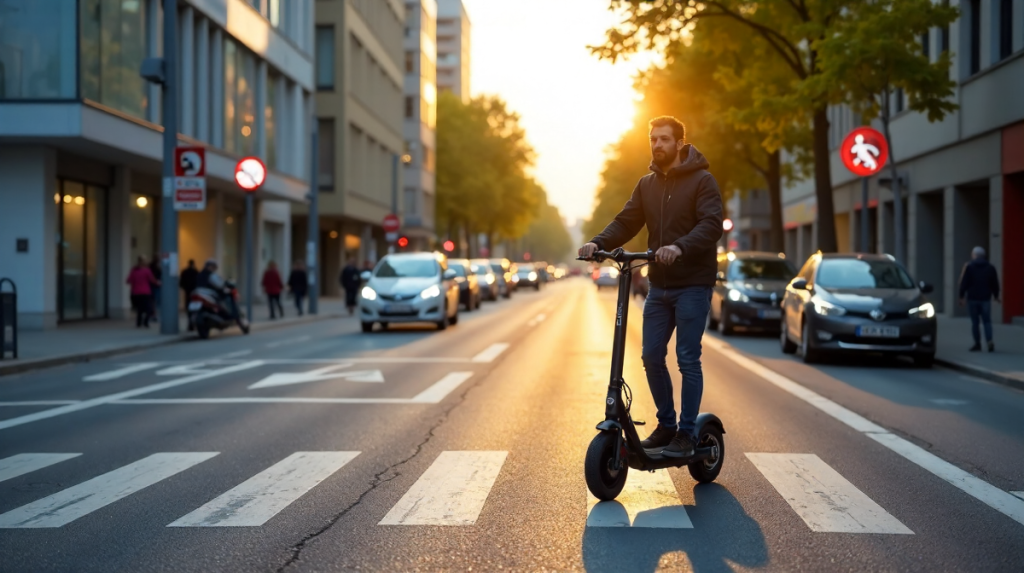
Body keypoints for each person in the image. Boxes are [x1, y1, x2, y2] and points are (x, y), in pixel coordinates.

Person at [579, 116, 723, 459]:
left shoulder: (703, 181)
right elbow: (627, 220)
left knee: (687, 358)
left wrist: (680, 246)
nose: (656, 145)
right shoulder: (647, 185)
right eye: (652, 139)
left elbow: (711, 224)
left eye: (663, 139)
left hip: (692, 283)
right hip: (659, 285)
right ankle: (667, 425)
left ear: (678, 143)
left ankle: (687, 433)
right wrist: (596, 244)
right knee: (650, 355)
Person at [959, 246, 1001, 352]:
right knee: (987, 321)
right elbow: (995, 283)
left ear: (974, 255)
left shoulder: (969, 267)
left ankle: (977, 344)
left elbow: (964, 283)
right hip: (985, 298)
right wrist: (996, 296)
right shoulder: (990, 267)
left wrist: (961, 296)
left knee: (975, 322)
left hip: (972, 298)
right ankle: (989, 341)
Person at [126, 257, 160, 328]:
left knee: (139, 308)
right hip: (145, 291)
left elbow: (128, 280)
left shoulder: (134, 270)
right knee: (149, 308)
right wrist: (158, 283)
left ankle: (138, 323)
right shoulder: (147, 271)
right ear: (145, 263)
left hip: (136, 292)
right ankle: (145, 322)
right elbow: (152, 280)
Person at [180, 259, 199, 330]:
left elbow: (181, 283)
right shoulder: (195, 272)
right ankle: (192, 324)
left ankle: (190, 324)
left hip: (188, 292)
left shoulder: (185, 272)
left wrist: (185, 288)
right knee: (194, 308)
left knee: (189, 308)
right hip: (194, 292)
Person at [148, 255, 162, 322]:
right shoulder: (155, 267)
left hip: (153, 285)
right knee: (156, 301)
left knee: (154, 301)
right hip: (155, 285)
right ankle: (154, 315)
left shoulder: (151, 266)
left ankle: (153, 315)